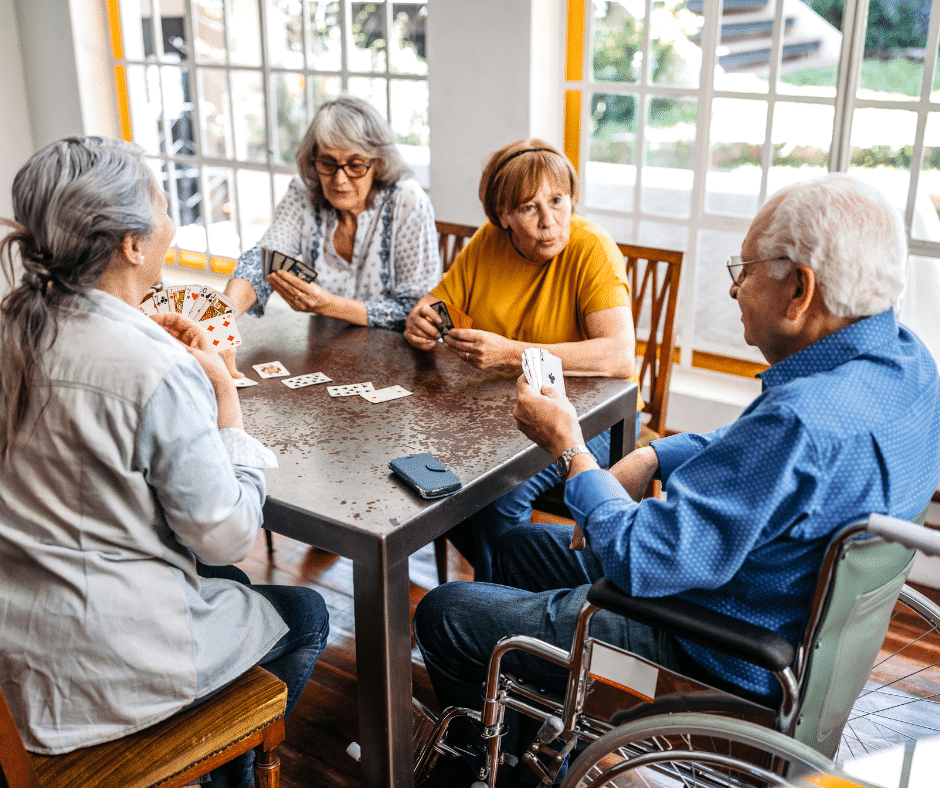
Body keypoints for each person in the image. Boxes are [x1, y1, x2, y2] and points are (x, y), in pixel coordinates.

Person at [413, 173, 940, 784]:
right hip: (789, 622)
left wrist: (570, 449)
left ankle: (495, 761)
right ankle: (528, 718)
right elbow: (757, 456)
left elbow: (638, 557)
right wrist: (652, 457)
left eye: (744, 271)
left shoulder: (801, 422)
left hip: (703, 647)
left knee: (446, 613)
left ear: (799, 291)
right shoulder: (907, 363)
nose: (737, 289)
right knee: (517, 546)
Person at [0, 137, 329, 788]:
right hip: (110, 672)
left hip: (22, 657)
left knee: (204, 571)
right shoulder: (154, 368)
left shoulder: (14, 324)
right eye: (159, 197)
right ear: (130, 243)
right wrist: (225, 397)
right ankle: (214, 769)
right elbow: (230, 536)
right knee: (306, 614)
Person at [404, 138, 641, 581]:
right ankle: (510, 583)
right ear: (504, 216)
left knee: (497, 492)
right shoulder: (488, 242)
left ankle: (500, 602)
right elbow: (439, 305)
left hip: (593, 417)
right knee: (432, 478)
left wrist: (511, 354)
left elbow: (618, 355)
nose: (549, 221)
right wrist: (421, 321)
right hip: (499, 412)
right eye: (529, 208)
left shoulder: (592, 248)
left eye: (557, 200)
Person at [223, 94, 441, 375]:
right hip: (325, 357)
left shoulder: (407, 200)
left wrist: (328, 305)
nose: (339, 179)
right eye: (327, 163)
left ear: (379, 164)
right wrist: (221, 321)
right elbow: (264, 259)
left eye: (355, 165)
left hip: (403, 364)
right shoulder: (303, 191)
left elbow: (416, 311)